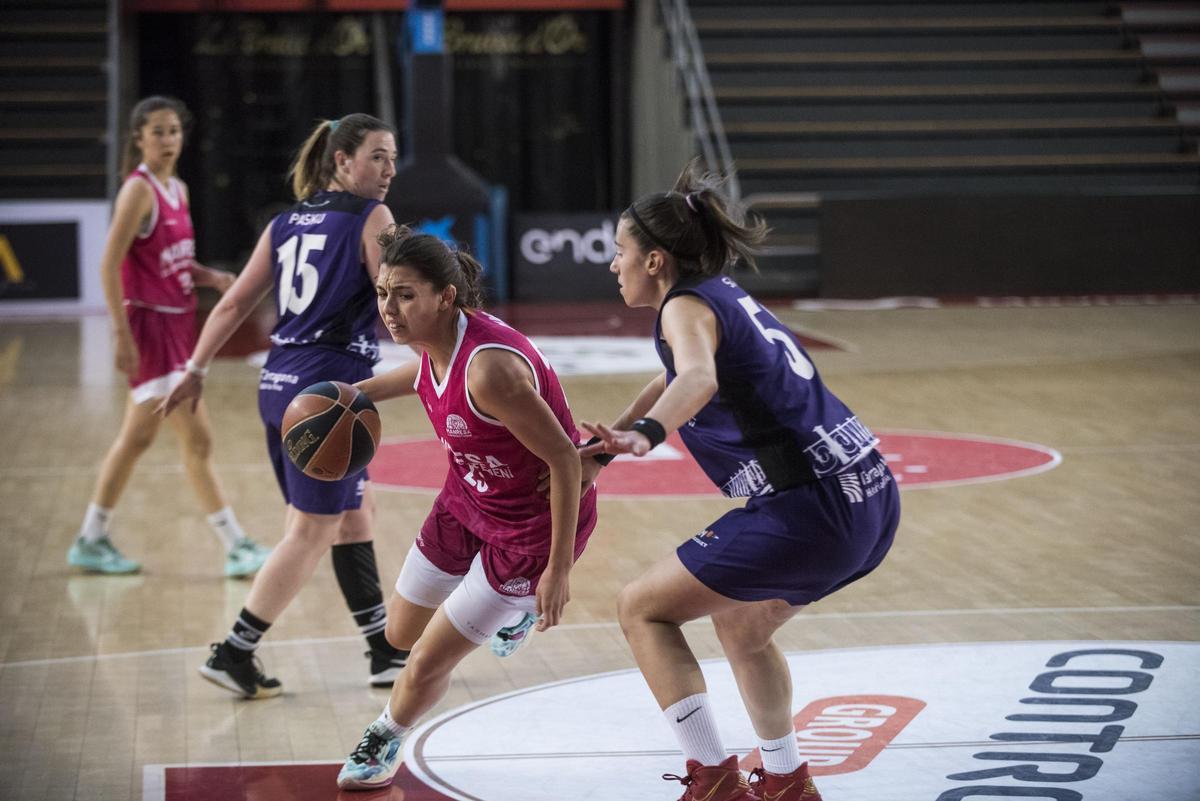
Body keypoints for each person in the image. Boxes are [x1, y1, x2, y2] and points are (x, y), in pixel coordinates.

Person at [580, 162, 900, 801]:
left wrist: (645, 436)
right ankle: (786, 781)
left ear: (654, 261)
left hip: (810, 508)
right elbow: (677, 374)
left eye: (619, 251)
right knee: (743, 627)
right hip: (870, 493)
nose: (613, 264)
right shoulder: (718, 294)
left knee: (641, 608)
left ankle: (715, 781)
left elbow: (697, 379)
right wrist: (609, 445)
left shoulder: (684, 306)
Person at [334, 225, 598, 790]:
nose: (389, 310)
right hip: (466, 499)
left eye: (405, 295)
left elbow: (566, 460)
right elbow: (423, 374)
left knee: (426, 660)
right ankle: (505, 608)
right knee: (398, 636)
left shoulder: (490, 371)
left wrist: (558, 571)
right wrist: (358, 393)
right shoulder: (434, 338)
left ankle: (385, 735)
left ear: (445, 297)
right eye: (382, 293)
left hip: (528, 534)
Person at [159, 113, 408, 695]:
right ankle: (235, 651)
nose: (389, 170)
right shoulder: (372, 217)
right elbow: (397, 298)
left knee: (354, 514)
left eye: (393, 158)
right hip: (327, 393)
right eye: (377, 156)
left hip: (278, 385)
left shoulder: (285, 221)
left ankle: (382, 651)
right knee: (311, 530)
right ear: (342, 160)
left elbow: (232, 303)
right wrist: (449, 353)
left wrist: (195, 369)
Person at [68, 95, 271, 578]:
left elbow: (172, 260)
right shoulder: (138, 192)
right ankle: (235, 544)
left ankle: (91, 538)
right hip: (150, 328)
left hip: (177, 324)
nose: (168, 139)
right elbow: (109, 264)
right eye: (158, 131)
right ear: (138, 137)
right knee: (197, 439)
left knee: (138, 439)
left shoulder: (177, 189)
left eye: (174, 131)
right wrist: (121, 335)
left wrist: (209, 276)